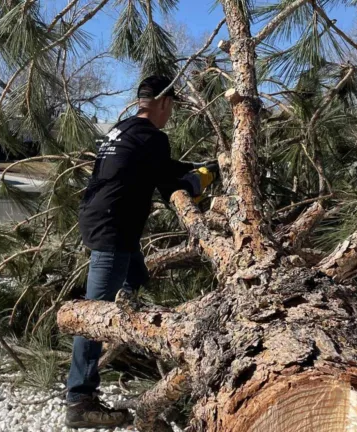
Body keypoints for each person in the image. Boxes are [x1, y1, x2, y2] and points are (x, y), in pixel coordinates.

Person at [65, 76, 218, 428]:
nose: (171, 115)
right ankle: (79, 399)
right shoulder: (153, 137)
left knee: (134, 278)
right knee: (94, 314)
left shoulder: (124, 130)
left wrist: (203, 166)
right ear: (164, 103)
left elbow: (159, 168)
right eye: (173, 108)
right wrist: (204, 178)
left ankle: (126, 324)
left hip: (100, 218)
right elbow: (172, 186)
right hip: (113, 229)